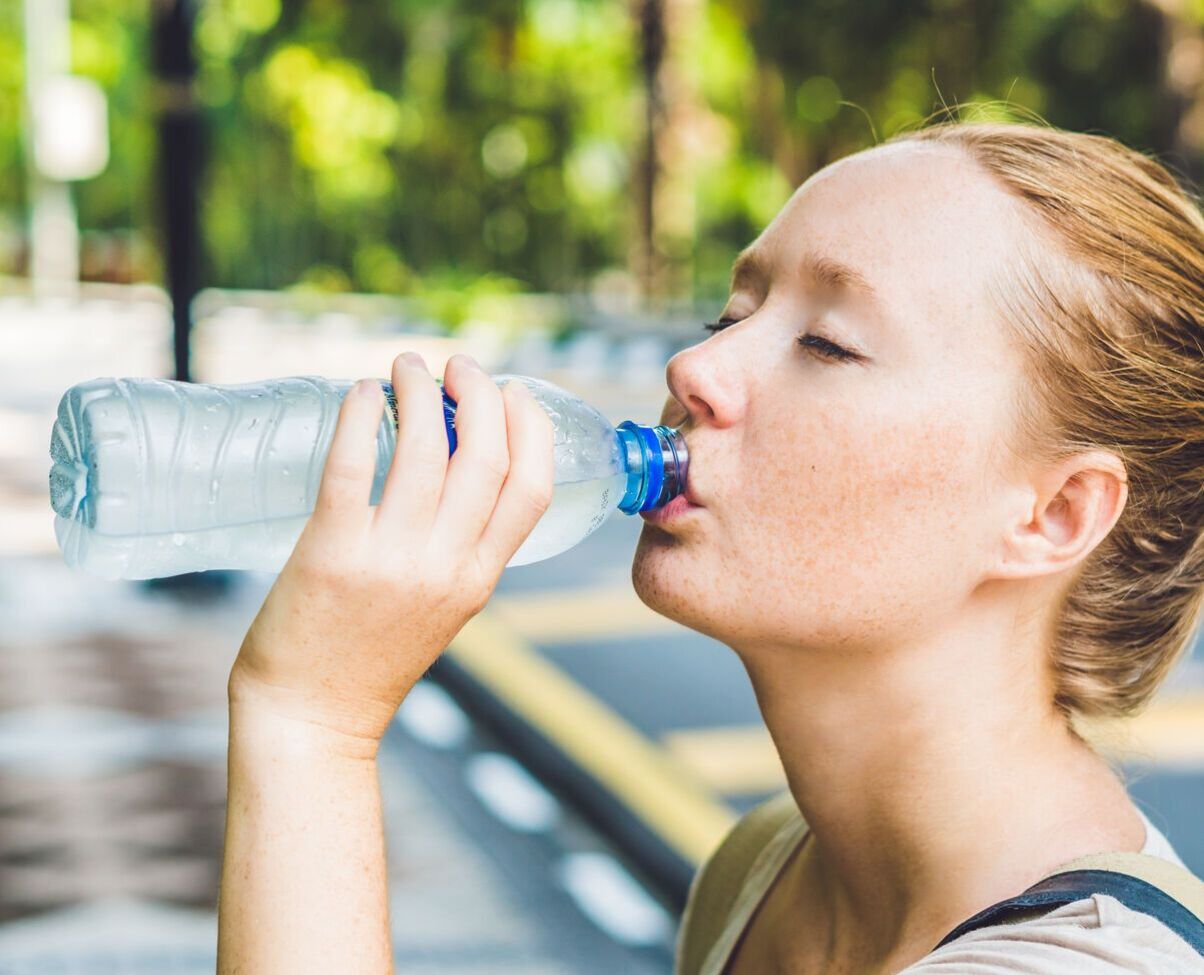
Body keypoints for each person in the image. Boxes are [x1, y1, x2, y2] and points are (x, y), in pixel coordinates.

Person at [214, 118, 1204, 974]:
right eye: (731, 314)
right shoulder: (767, 866)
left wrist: (312, 722)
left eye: (827, 343)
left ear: (1054, 514)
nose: (695, 365)